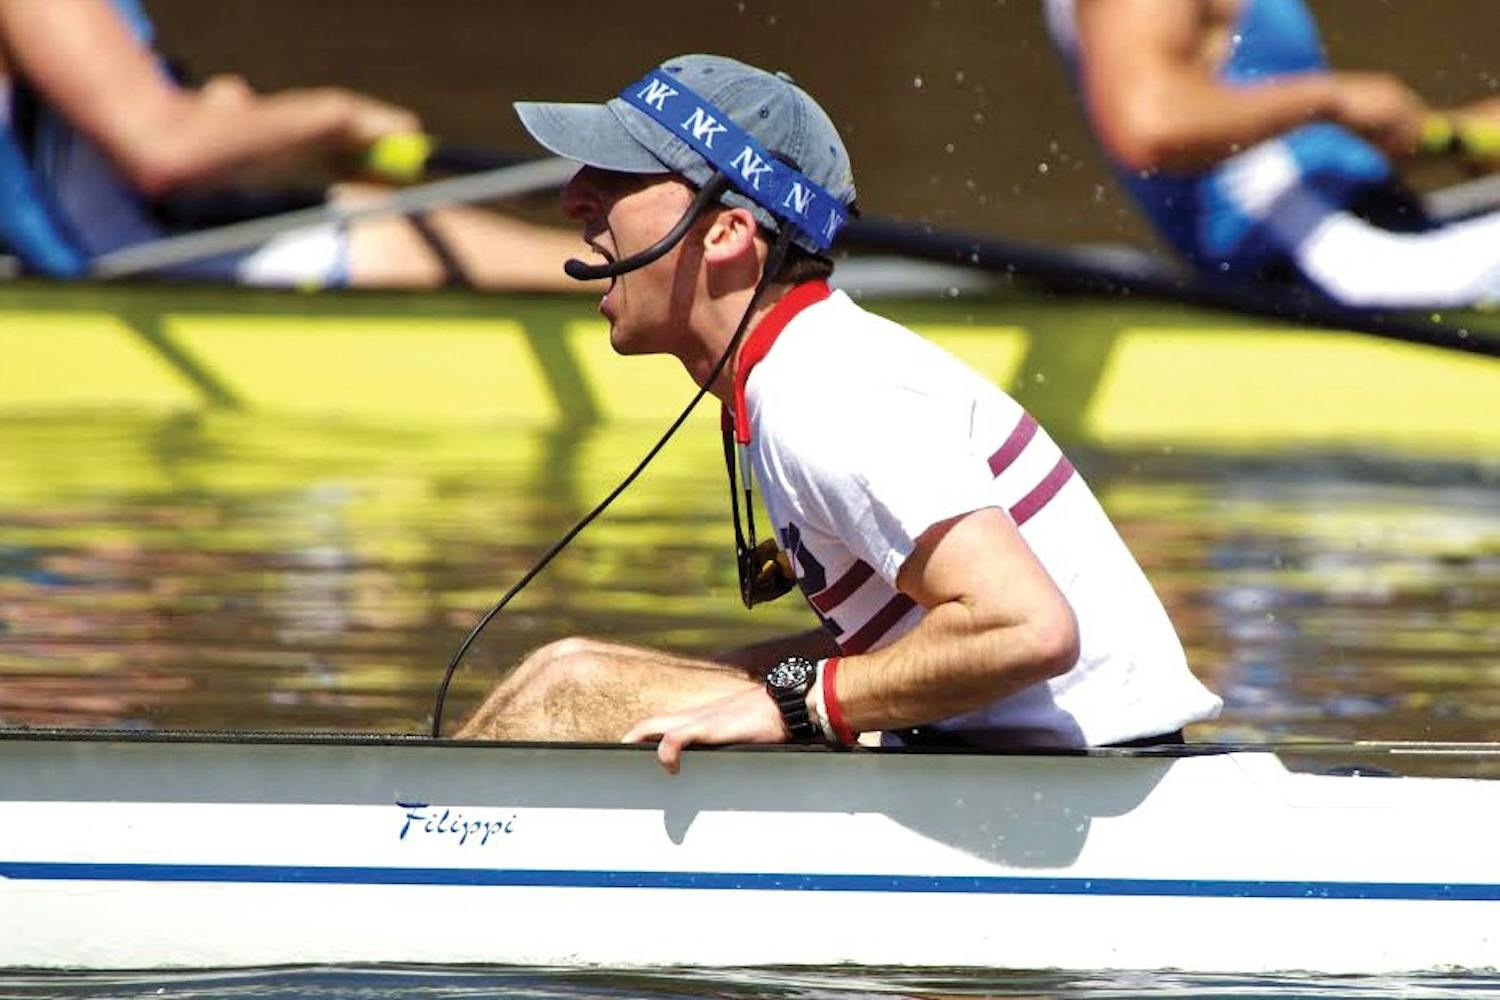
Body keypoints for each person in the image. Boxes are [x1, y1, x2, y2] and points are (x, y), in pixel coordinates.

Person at [455, 53, 1222, 771]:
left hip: (1081, 787)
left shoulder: (828, 394)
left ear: (725, 234)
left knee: (568, 693)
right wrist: (750, 687)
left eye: (621, 177)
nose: (575, 198)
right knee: (580, 673)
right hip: (1014, 768)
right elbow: (914, 638)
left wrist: (791, 703)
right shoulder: (800, 372)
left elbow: (1026, 628)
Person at [0, 0, 591, 289]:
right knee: (583, 275)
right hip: (122, 259)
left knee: (376, 212)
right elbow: (163, 151)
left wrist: (224, 121)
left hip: (132, 239)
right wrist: (334, 117)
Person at [1044, 0, 1500, 308]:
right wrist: (1331, 100)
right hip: (1324, 266)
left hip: (1370, 230)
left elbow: (1298, 143)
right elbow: (1150, 125)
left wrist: (1458, 133)